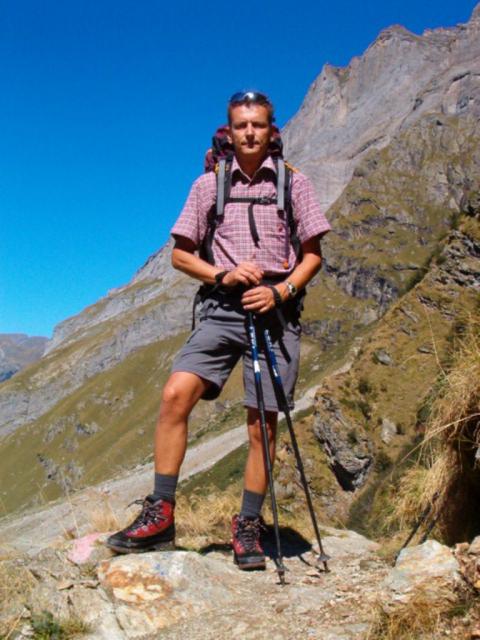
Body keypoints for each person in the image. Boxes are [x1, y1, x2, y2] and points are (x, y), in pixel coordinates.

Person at [107, 90, 331, 570]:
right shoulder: (208, 185)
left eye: (258, 125)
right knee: (175, 395)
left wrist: (281, 292)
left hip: (275, 313)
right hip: (223, 306)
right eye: (241, 125)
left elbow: (312, 256)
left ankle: (248, 525)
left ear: (271, 131)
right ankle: (161, 514)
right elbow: (181, 254)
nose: (250, 133)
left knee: (261, 425)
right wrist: (223, 275)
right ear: (229, 132)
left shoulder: (295, 184)